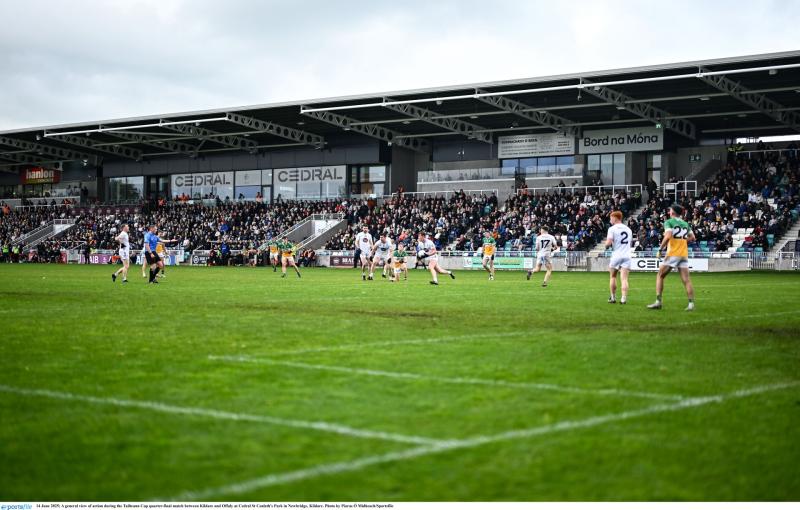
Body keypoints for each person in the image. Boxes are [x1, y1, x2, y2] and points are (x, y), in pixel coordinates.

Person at [648, 204, 696, 311]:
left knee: (660, 275)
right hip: (683, 254)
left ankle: (658, 302)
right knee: (686, 280)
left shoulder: (669, 222)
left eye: (670, 210)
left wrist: (660, 249)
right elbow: (692, 237)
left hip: (673, 253)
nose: (669, 212)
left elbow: (668, 236)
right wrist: (682, 241)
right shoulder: (685, 223)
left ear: (673, 212)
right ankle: (691, 304)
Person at [603, 211, 632, 304]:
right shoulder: (628, 229)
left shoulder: (612, 229)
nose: (610, 220)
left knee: (613, 276)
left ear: (615, 218)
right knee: (624, 279)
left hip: (616, 255)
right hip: (627, 255)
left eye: (611, 218)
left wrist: (606, 246)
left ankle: (613, 297)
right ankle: (623, 298)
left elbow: (608, 243)